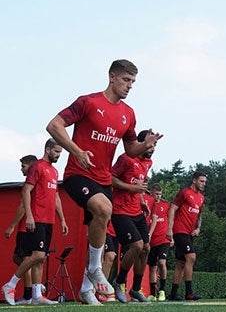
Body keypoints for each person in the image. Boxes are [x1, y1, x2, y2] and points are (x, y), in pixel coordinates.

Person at [46, 59, 163, 305]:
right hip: (78, 174)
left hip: (103, 182)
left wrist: (146, 144)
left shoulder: (128, 114)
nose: (130, 86)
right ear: (112, 77)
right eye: (126, 80)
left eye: (133, 82)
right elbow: (54, 125)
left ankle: (87, 290)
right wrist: (76, 150)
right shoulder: (88, 102)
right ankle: (94, 269)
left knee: (98, 229)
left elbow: (130, 149)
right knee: (104, 208)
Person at [2, 139, 68, 305]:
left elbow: (56, 196)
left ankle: (37, 296)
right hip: (37, 218)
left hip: (48, 220)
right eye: (57, 152)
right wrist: (29, 216)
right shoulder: (37, 166)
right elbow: (26, 190)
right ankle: (10, 285)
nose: (59, 155)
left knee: (41, 258)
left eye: (60, 153)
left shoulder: (54, 172)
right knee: (36, 255)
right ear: (48, 150)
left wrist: (62, 220)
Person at [110, 129, 157, 303]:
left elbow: (138, 185)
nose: (152, 147)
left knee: (146, 248)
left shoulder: (148, 162)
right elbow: (110, 179)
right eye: (150, 143)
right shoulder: (126, 158)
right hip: (120, 210)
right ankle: (119, 281)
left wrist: (141, 199)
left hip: (136, 210)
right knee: (136, 245)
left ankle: (136, 289)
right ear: (140, 143)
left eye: (155, 144)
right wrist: (133, 189)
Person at [166, 171, 206, 301]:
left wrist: (198, 228)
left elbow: (199, 215)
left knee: (181, 263)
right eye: (201, 181)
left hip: (189, 233)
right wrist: (169, 229)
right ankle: (189, 292)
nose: (203, 184)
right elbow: (172, 208)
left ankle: (173, 293)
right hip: (179, 230)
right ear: (194, 180)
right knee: (191, 257)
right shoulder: (184, 192)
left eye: (205, 182)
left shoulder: (201, 198)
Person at [4, 155, 37, 304]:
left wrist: (11, 226)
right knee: (19, 259)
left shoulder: (30, 183)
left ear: (30, 166)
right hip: (31, 227)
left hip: (26, 227)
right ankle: (32, 292)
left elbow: (23, 207)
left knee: (26, 260)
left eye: (23, 166)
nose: (21, 169)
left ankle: (29, 295)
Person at [146, 184, 172, 302]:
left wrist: (172, 236)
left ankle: (162, 290)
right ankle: (152, 293)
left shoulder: (166, 205)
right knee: (152, 267)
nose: (158, 197)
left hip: (164, 239)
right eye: (156, 194)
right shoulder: (147, 205)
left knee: (162, 262)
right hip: (152, 241)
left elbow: (172, 220)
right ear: (151, 193)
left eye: (160, 194)